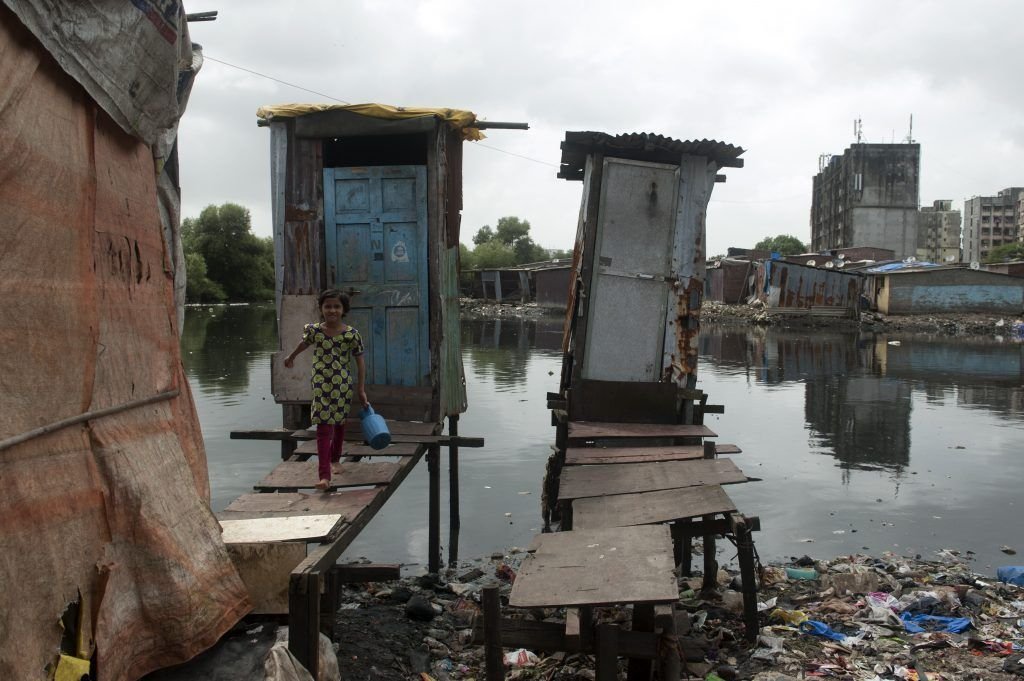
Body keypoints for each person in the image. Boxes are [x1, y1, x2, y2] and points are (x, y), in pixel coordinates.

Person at [283, 289, 368, 491]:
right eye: (328, 306)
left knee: (339, 422)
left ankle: (335, 458)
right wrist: (291, 357)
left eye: (336, 306)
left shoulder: (351, 334)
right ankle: (324, 476)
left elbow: (360, 362)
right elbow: (304, 343)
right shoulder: (314, 331)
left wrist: (361, 389)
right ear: (321, 309)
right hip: (321, 383)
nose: (332, 310)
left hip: (342, 385)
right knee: (323, 427)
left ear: (343, 310)